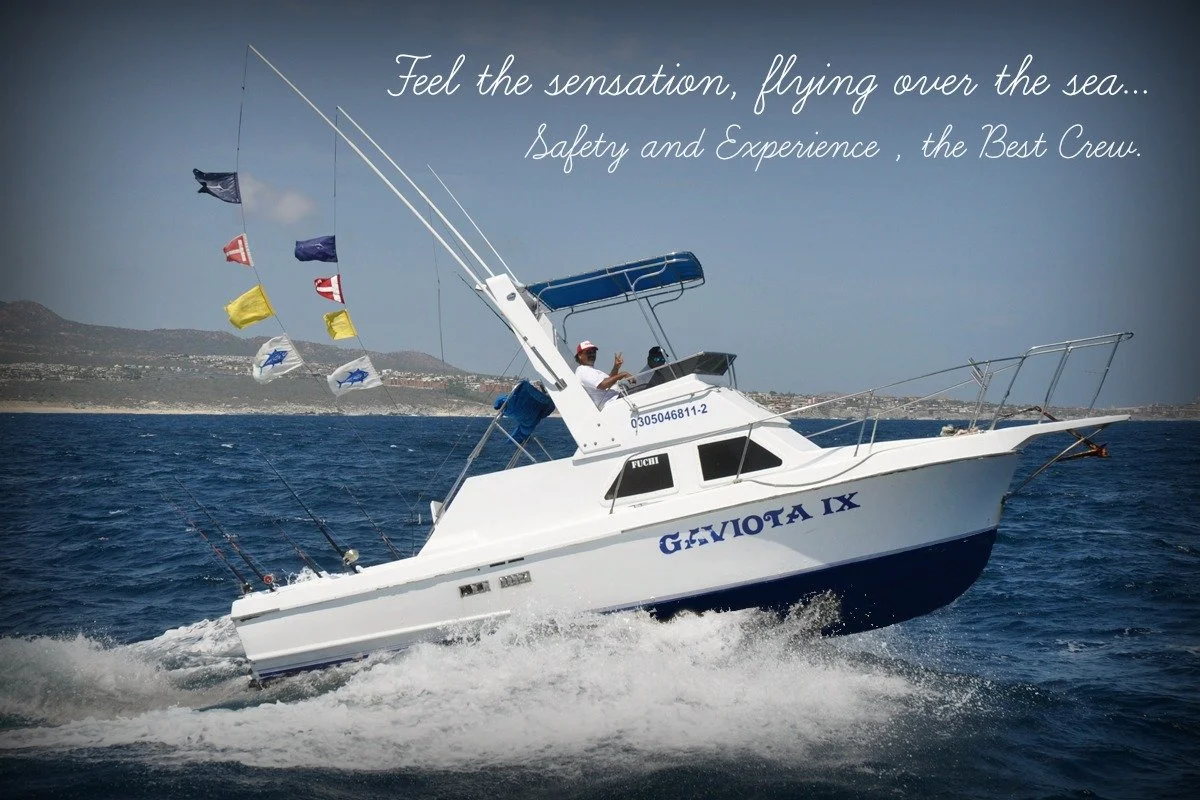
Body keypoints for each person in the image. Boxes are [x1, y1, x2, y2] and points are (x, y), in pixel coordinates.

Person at [573, 340, 634, 408]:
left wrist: (616, 367)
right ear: (580, 355)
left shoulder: (588, 370)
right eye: (588, 352)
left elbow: (609, 382)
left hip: (617, 399)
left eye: (594, 352)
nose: (592, 354)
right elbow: (603, 385)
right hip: (614, 401)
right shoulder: (583, 370)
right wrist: (623, 374)